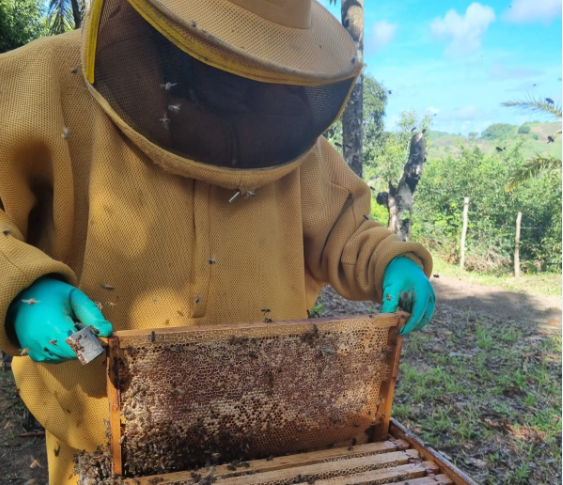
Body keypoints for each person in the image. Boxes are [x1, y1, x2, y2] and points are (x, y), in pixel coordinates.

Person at [0, 0, 435, 482]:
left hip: (268, 432)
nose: (240, 71)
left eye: (259, 50)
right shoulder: (43, 82)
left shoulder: (285, 125)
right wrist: (18, 287)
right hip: (99, 438)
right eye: (227, 44)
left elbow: (342, 225)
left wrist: (390, 260)